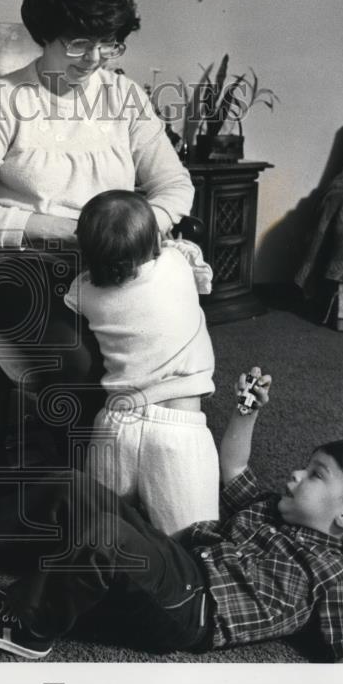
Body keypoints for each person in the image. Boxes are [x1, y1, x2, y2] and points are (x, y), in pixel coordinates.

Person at [0, 369, 343, 663]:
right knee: (74, 485)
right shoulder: (271, 510)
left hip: (191, 613)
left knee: (106, 538)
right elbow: (235, 467)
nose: (293, 475)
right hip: (178, 563)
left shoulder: (335, 572)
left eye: (315, 474)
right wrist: (247, 411)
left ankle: (28, 625)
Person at [0, 0, 194, 452]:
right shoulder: (5, 99)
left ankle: (141, 463)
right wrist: (55, 228)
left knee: (164, 339)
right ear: (46, 30)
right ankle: (62, 483)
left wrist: (135, 233)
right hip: (24, 263)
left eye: (108, 43)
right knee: (79, 361)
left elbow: (175, 185)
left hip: (107, 263)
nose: (94, 59)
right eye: (79, 42)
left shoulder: (124, 97)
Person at [67, 190, 217, 536]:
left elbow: (81, 293)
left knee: (95, 534)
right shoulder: (178, 263)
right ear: (156, 243)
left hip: (115, 423)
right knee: (194, 547)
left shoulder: (83, 291)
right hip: (179, 429)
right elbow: (196, 269)